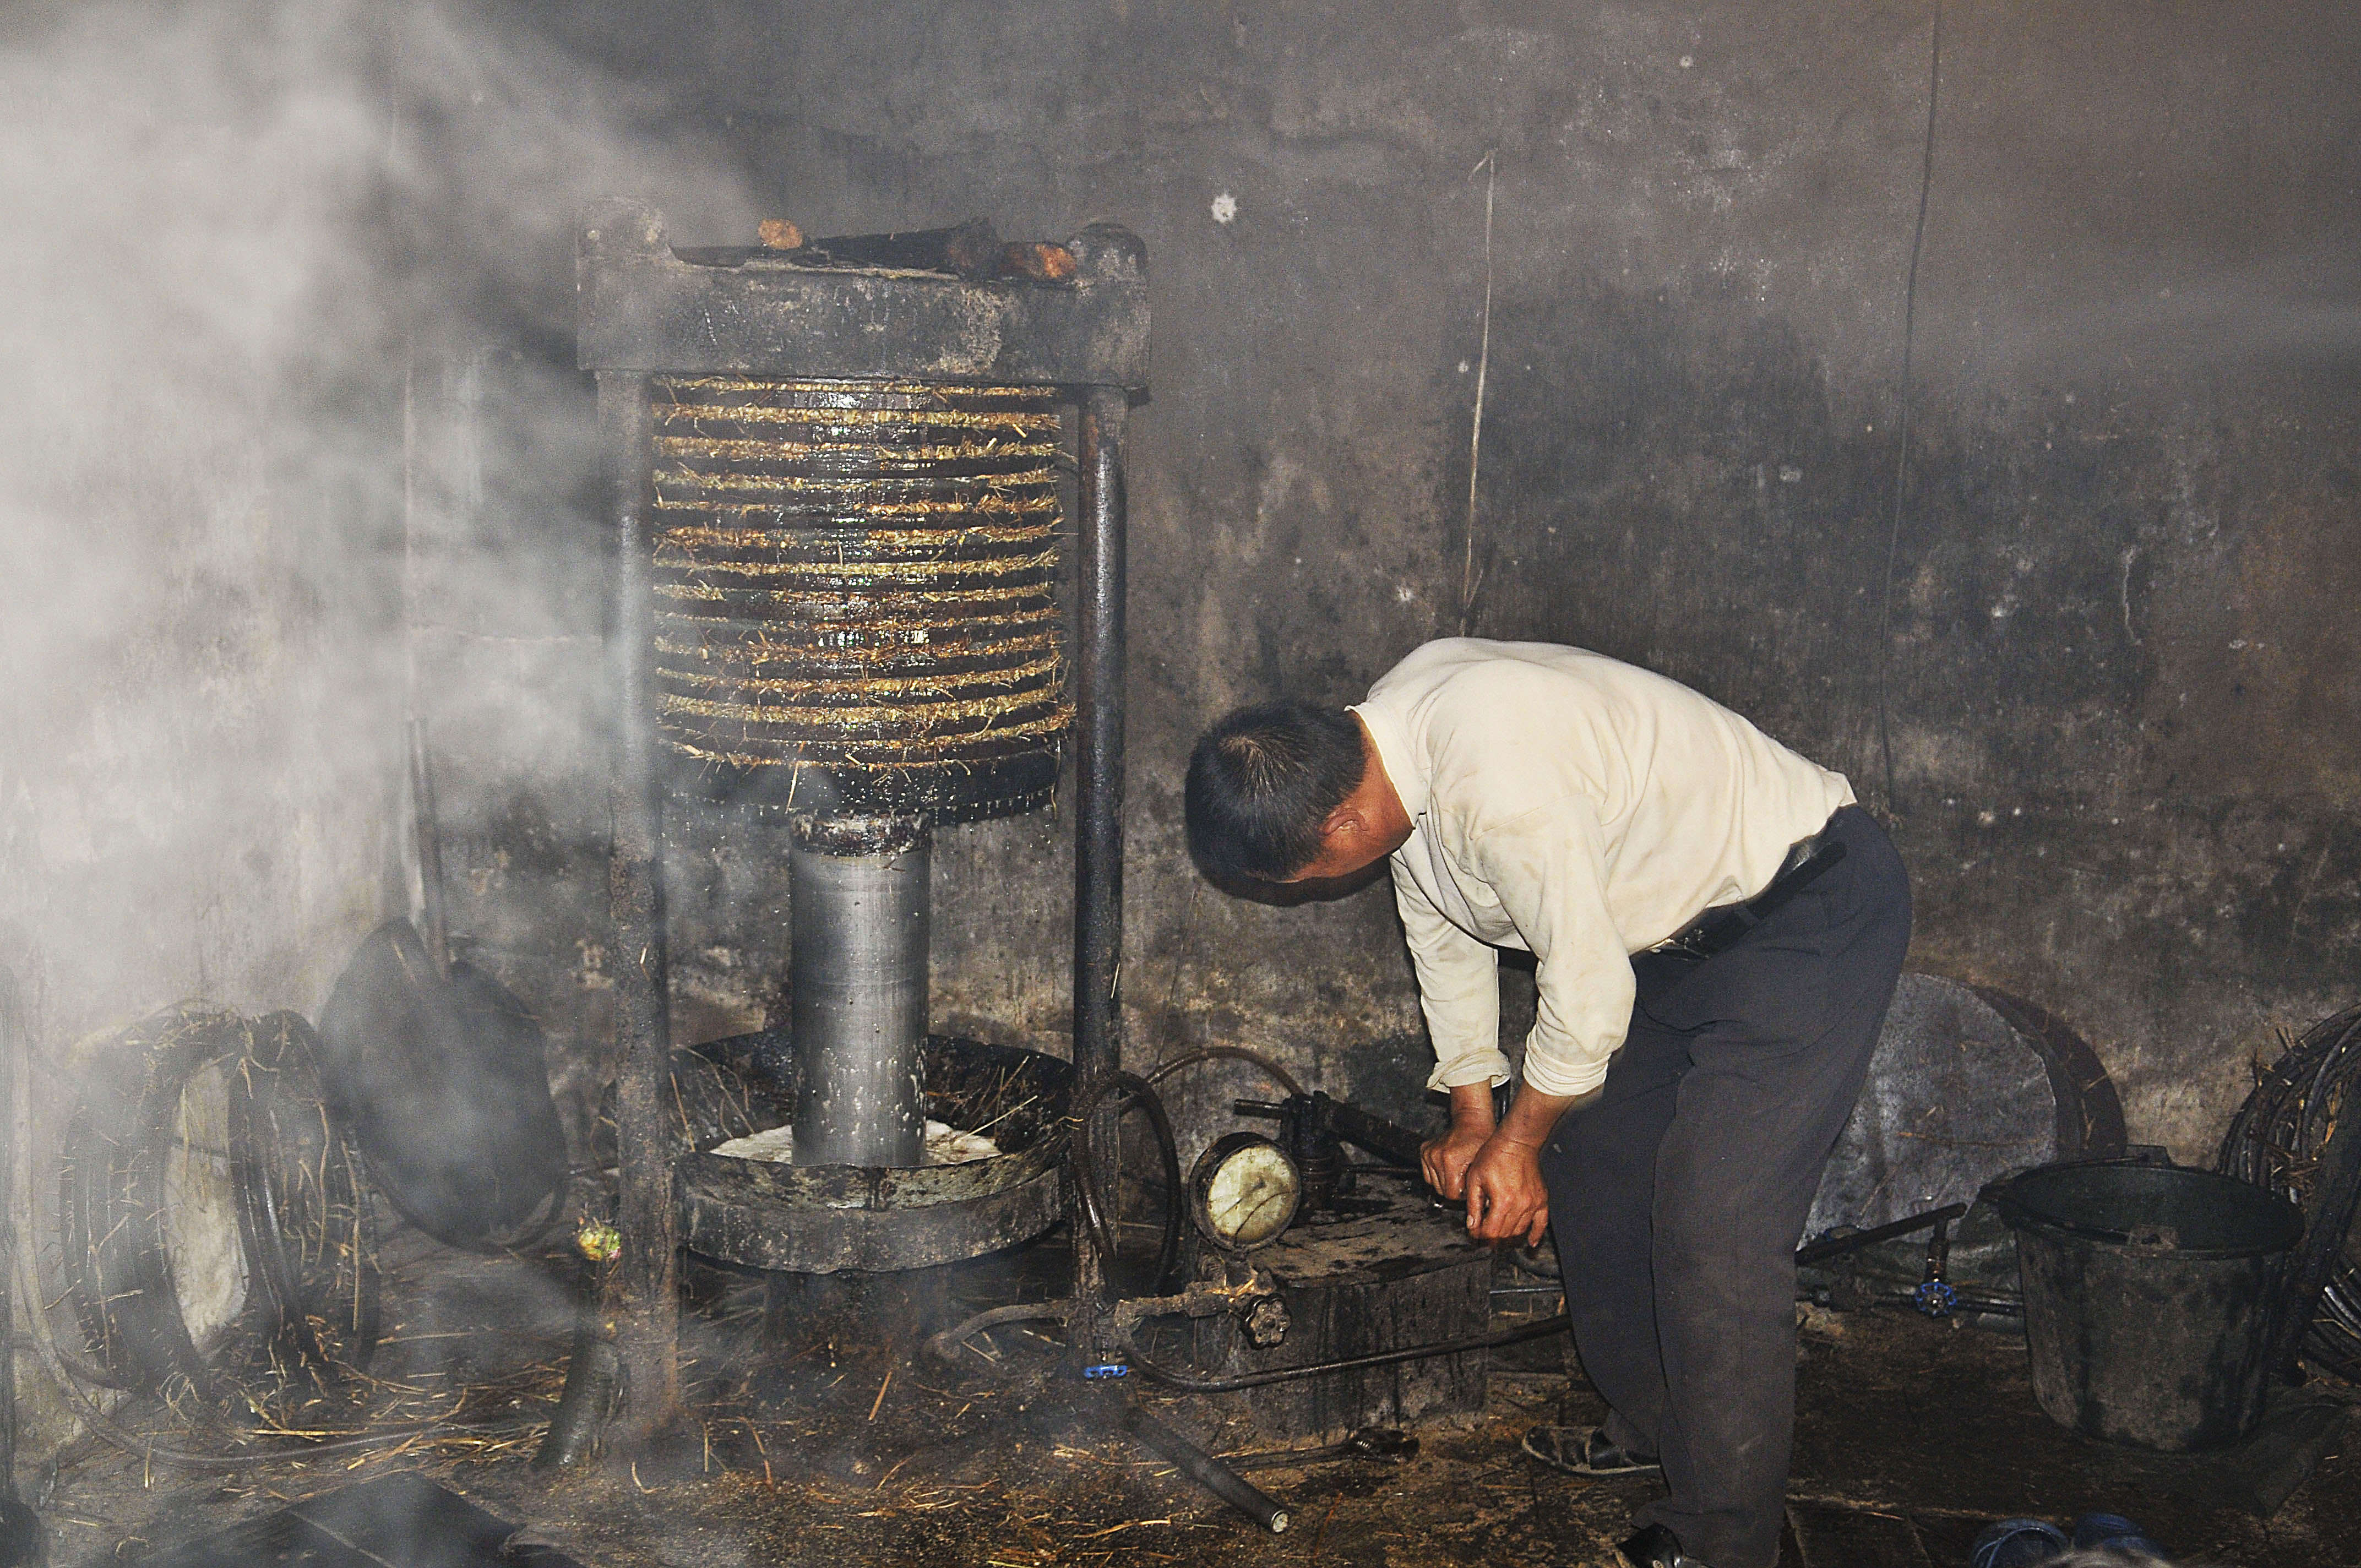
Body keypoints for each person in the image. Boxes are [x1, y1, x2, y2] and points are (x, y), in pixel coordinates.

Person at [1183, 638, 1912, 1568]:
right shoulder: (1386, 750)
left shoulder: (1496, 775)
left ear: (1337, 827)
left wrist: (1516, 1143)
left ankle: (1725, 1540)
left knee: (1716, 1224)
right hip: (1677, 940)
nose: (1316, 891)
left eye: (1303, 881)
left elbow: (1589, 987)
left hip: (1803, 913)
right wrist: (1476, 1118)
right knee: (1593, 1157)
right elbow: (1441, 931)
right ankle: (1657, 1423)